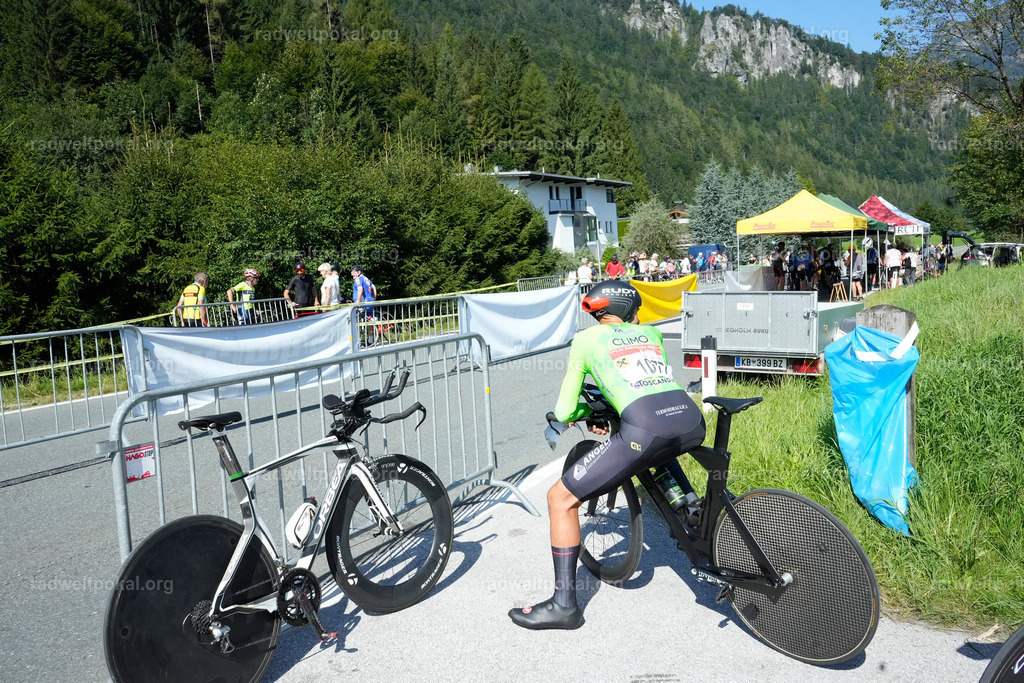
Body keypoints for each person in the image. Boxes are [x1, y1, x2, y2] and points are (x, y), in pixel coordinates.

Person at [508, 281, 706, 630]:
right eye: (637, 310)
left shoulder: (586, 340)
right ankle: (696, 513)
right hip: (690, 418)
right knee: (660, 445)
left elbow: (565, 409)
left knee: (559, 499)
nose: (639, 315)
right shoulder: (651, 335)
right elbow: (645, 384)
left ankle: (564, 606)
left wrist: (582, 412)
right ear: (627, 310)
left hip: (646, 428)